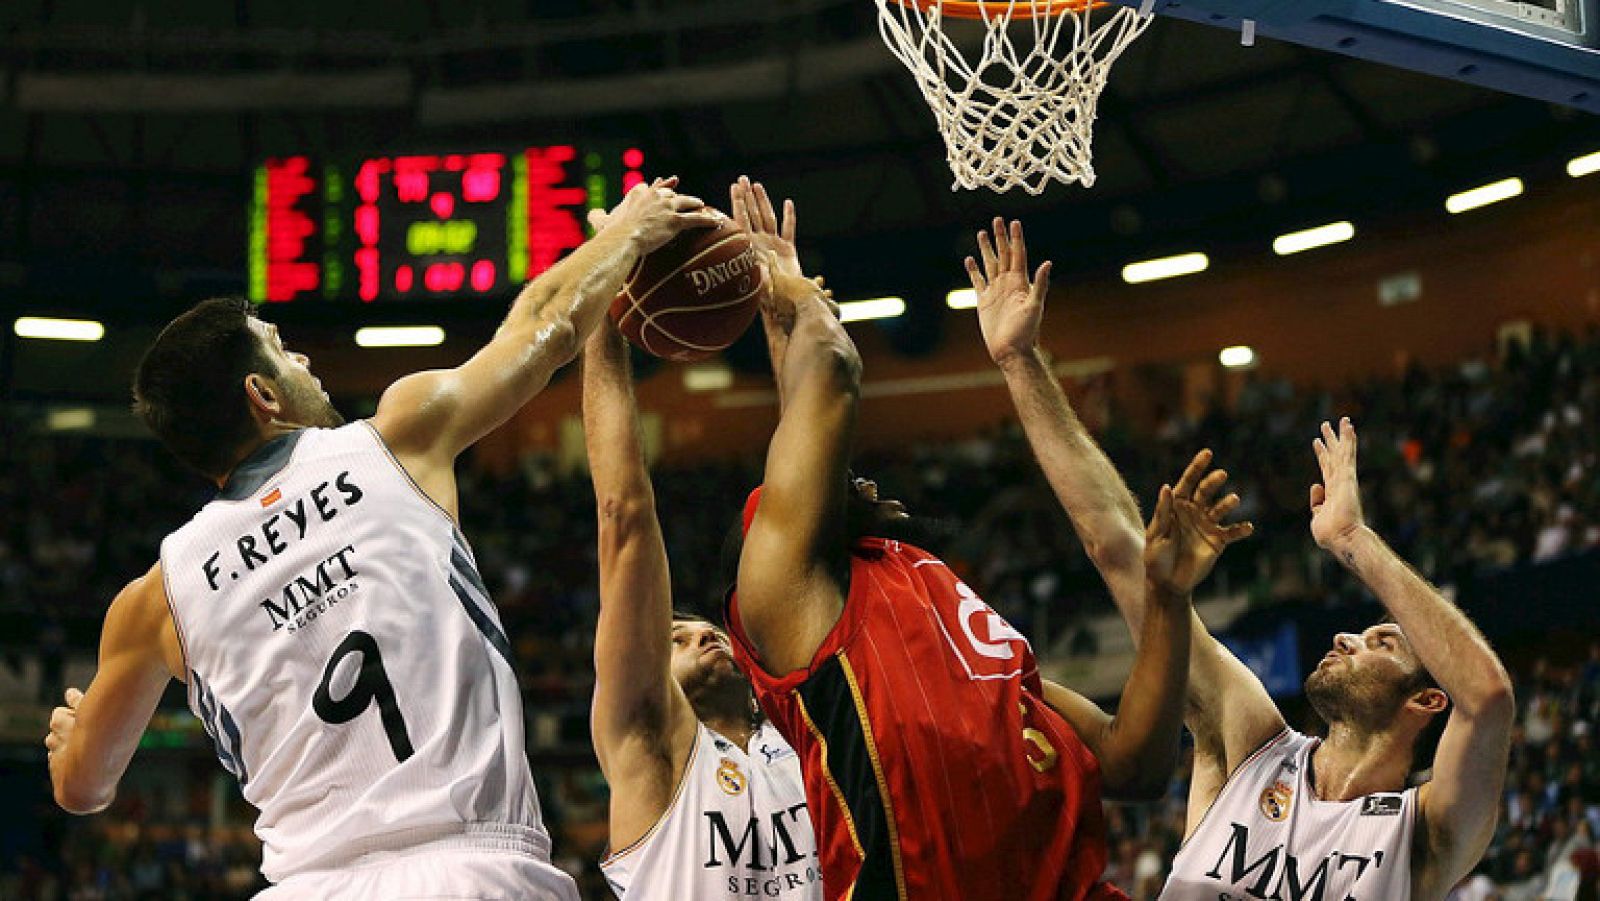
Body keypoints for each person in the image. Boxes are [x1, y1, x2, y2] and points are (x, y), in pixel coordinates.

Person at [42, 178, 718, 899]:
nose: (306, 362)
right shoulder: (397, 436)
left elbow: (82, 788)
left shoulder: (155, 600)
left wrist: (66, 740)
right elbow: (546, 327)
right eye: (282, 351)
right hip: (473, 868)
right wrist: (628, 232)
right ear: (262, 396)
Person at [978, 215, 1517, 900]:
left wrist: (1354, 542)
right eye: (1362, 628)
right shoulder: (1249, 743)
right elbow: (1116, 547)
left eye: (1382, 640)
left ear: (1427, 697)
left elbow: (1490, 695)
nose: (1346, 634)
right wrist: (1019, 363)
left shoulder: (1426, 831)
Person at [722, 194, 1237, 900]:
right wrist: (793, 296)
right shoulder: (799, 610)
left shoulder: (934, 592)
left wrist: (1170, 601)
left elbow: (1134, 765)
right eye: (836, 475)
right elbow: (828, 383)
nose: (860, 472)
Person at [580, 291, 816, 898]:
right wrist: (602, 322)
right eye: (677, 639)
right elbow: (623, 513)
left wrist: (785, 321)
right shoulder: (651, 751)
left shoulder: (812, 738)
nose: (704, 634)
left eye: (706, 629)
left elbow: (807, 509)